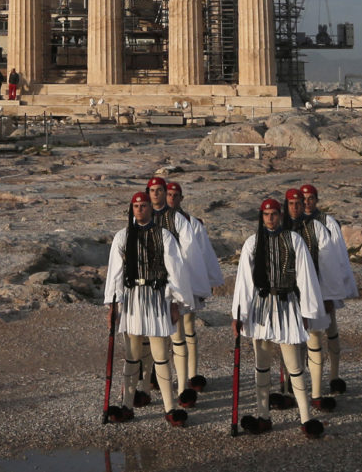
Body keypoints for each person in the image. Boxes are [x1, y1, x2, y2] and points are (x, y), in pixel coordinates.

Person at [232, 196, 327, 437]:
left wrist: (307, 311)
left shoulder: (294, 240)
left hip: (288, 305)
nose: (270, 218)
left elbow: (305, 277)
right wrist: (238, 313)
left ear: (280, 215)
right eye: (266, 214)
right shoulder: (253, 243)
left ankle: (306, 417)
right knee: (261, 366)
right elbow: (243, 281)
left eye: (274, 214)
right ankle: (263, 415)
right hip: (262, 307)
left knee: (294, 365)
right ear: (261, 217)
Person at [106, 190, 196, 426]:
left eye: (143, 206)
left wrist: (176, 302)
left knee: (160, 355)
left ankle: (170, 407)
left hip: (157, 297)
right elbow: (115, 273)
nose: (140, 210)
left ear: (150, 208)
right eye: (136, 206)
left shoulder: (164, 236)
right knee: (132, 355)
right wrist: (113, 305)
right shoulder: (122, 237)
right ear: (131, 209)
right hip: (133, 298)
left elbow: (175, 270)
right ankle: (127, 404)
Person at [290, 182, 359, 411]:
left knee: (326, 331)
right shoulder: (286, 225)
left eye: (310, 199)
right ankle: (295, 381)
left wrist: (333, 291)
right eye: (302, 199)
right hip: (294, 291)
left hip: (321, 287)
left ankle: (333, 376)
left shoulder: (324, 223)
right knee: (296, 336)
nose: (306, 203)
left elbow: (335, 256)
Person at [163, 180, 223, 394]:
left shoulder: (192, 222)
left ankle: (191, 374)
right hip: (161, 285)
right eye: (168, 194)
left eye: (174, 195)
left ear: (181, 198)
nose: (171, 198)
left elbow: (202, 254)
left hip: (186, 283)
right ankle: (156, 376)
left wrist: (204, 283)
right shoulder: (152, 220)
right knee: (158, 333)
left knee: (188, 328)